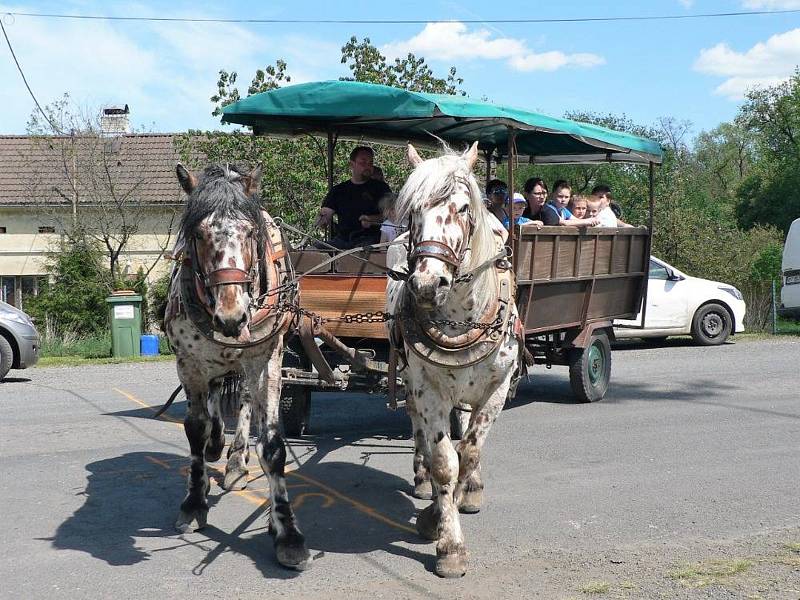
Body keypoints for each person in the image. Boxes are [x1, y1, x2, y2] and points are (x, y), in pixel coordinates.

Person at [314, 146, 392, 249]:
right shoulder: (338, 190)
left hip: (370, 239)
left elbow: (391, 215)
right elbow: (325, 214)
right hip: (342, 240)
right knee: (314, 250)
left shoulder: (381, 188)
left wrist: (372, 219)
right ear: (351, 164)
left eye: (370, 163)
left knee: (363, 251)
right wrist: (322, 219)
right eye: (363, 162)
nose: (367, 166)